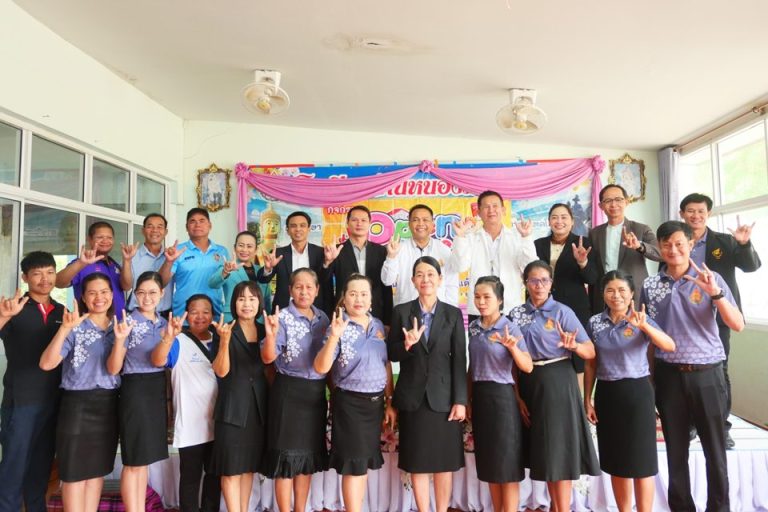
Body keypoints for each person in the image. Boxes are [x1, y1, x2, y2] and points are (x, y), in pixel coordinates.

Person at [641, 221, 744, 512]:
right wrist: (650, 379)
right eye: (666, 244)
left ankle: (719, 507)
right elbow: (650, 338)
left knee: (715, 450)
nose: (673, 250)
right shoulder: (650, 285)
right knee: (676, 451)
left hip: (707, 374)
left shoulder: (710, 277)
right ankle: (681, 507)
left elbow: (737, 324)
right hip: (668, 375)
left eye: (679, 243)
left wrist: (716, 294)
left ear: (690, 244)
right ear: (659, 248)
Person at [509, 260, 599, 512]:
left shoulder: (562, 312)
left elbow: (590, 351)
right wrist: (517, 396)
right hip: (529, 382)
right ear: (525, 283)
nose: (539, 285)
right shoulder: (516, 314)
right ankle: (555, 506)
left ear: (551, 284)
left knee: (559, 451)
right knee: (546, 454)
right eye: (533, 280)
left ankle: (562, 508)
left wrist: (574, 346)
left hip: (558, 381)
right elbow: (510, 359)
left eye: (544, 280)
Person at [584, 271, 675, 512]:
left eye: (622, 290)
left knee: (642, 462)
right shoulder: (595, 323)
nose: (616, 295)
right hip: (607, 394)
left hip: (637, 394)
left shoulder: (641, 318)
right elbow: (590, 363)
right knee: (617, 462)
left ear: (632, 293)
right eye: (610, 290)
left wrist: (644, 326)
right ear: (603, 294)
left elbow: (669, 345)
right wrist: (587, 399)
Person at [678, 192, 761, 448]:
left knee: (719, 371)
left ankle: (721, 428)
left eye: (701, 211)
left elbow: (751, 266)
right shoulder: (677, 241)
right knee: (685, 372)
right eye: (690, 211)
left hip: (718, 317)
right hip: (683, 318)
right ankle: (691, 423)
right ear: (682, 214)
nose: (696, 215)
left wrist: (744, 244)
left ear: (708, 214)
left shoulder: (724, 241)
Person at [387, 256, 467, 512]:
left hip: (444, 398)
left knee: (444, 463)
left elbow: (460, 359)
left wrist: (460, 400)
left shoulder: (453, 314)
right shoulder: (401, 312)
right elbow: (391, 354)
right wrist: (406, 345)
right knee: (417, 462)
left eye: (431, 274)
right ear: (413, 280)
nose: (425, 279)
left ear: (440, 279)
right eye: (420, 275)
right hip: (413, 398)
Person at [39, 273, 121, 512]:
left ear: (112, 294)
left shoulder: (121, 326)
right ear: (83, 297)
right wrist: (64, 329)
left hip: (108, 405)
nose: (99, 297)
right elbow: (46, 363)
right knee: (73, 473)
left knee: (97, 471)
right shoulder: (74, 326)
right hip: (77, 405)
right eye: (92, 293)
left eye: (104, 292)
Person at [313, 274, 396, 512]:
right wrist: (334, 337)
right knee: (354, 466)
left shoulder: (378, 326)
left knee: (362, 464)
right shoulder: (337, 326)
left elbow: (385, 364)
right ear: (344, 298)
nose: (358, 299)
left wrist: (389, 400)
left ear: (371, 299)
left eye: (363, 294)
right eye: (353, 294)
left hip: (374, 405)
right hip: (349, 405)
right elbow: (321, 367)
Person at [261, 269, 330, 512]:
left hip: (315, 395)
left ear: (317, 290)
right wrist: (270, 336)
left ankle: (300, 509)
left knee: (306, 458)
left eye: (309, 287)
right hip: (288, 393)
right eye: (298, 287)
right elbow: (267, 358)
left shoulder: (323, 318)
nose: (304, 292)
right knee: (286, 460)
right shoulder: (281, 318)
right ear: (290, 290)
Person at [0, 252, 63, 512]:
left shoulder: (62, 312)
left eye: (49, 272)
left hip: (53, 400)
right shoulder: (13, 308)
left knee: (41, 466)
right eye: (37, 274)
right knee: (14, 466)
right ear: (25, 277)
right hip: (21, 401)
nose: (44, 279)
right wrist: (4, 316)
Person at [467, 276, 533, 512]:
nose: (481, 302)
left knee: (507, 465)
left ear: (500, 300)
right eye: (477, 297)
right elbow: (471, 367)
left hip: (503, 399)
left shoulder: (509, 327)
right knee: (490, 465)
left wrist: (512, 347)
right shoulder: (473, 327)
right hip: (480, 397)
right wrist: (468, 399)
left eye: (487, 297)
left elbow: (527, 366)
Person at [106, 272, 170, 512]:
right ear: (134, 294)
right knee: (133, 460)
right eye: (141, 292)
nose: (147, 298)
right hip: (135, 389)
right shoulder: (127, 322)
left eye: (152, 292)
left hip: (156, 389)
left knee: (144, 460)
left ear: (162, 293)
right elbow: (115, 367)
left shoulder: (165, 324)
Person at [151, 295, 221, 512]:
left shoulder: (221, 340)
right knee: (190, 477)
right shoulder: (178, 341)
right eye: (194, 312)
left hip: (219, 422)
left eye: (206, 312)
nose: (200, 317)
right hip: (190, 424)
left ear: (213, 315)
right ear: (186, 315)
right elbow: (158, 360)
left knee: (214, 476)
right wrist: (168, 338)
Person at [209, 282, 268, 512]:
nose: (247, 304)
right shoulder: (224, 330)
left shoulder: (266, 330)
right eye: (241, 299)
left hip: (258, 409)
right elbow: (221, 371)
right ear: (234, 303)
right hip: (232, 409)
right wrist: (224, 341)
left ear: (259, 302)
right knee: (231, 469)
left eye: (252, 299)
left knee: (248, 467)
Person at [451, 190, 537, 322]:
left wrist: (526, 237)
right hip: (479, 308)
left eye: (495, 206)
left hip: (510, 308)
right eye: (486, 207)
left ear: (503, 210)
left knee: (510, 337)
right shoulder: (470, 237)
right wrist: (460, 237)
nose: (491, 210)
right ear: (479, 212)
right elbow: (460, 266)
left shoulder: (517, 236)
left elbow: (529, 268)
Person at [535, 203, 599, 375]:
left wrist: (582, 262)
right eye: (554, 217)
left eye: (564, 217)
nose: (559, 221)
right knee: (547, 348)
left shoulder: (583, 243)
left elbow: (592, 278)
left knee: (577, 354)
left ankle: (578, 391)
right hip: (543, 307)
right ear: (549, 221)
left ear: (572, 222)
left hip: (574, 307)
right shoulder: (538, 244)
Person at [589, 184, 661, 312]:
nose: (613, 204)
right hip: (605, 296)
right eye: (608, 201)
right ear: (601, 206)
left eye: (618, 199)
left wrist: (639, 246)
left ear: (626, 202)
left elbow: (660, 253)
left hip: (634, 294)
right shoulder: (594, 233)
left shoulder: (641, 229)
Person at [323, 205, 393, 326]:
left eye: (363, 220)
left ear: (369, 223)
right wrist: (327, 262)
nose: (359, 223)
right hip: (344, 313)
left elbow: (386, 288)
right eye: (354, 220)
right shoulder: (337, 250)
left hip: (376, 312)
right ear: (347, 223)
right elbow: (324, 284)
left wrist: (388, 321)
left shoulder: (381, 251)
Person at [381, 204, 461, 306]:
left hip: (437, 310)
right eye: (415, 220)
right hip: (405, 309)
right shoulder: (398, 249)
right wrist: (391, 257)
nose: (420, 224)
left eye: (425, 220)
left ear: (432, 224)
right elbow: (387, 281)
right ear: (409, 224)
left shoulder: (444, 250)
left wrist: (450, 310)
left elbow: (451, 284)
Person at [159, 208, 230, 318]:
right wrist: (169, 261)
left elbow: (227, 284)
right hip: (183, 316)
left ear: (210, 225)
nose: (197, 225)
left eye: (202, 221)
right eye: (192, 221)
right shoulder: (178, 250)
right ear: (186, 227)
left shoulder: (222, 251)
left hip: (213, 314)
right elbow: (161, 283)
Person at [56, 221, 130, 319]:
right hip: (90, 324)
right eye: (100, 237)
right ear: (90, 239)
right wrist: (81, 263)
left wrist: (127, 261)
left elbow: (127, 287)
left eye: (109, 237)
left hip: (118, 323)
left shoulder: (114, 264)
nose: (105, 241)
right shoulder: (82, 263)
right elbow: (58, 283)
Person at [256, 211, 327, 311]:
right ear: (287, 230)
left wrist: (327, 262)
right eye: (293, 226)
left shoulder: (321, 253)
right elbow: (262, 279)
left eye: (302, 225)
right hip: (284, 310)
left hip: (314, 310)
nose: (298, 229)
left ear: (309, 229)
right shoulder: (278, 253)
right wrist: (268, 268)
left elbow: (325, 280)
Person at [208, 230, 272, 322]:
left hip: (259, 320)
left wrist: (268, 318)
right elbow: (212, 284)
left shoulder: (262, 270)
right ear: (235, 248)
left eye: (249, 246)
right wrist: (225, 271)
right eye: (241, 245)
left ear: (256, 250)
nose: (244, 250)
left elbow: (266, 299)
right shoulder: (227, 267)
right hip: (232, 318)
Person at [120, 213, 173, 317]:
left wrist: (169, 260)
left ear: (165, 232)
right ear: (143, 230)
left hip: (165, 316)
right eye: (150, 226)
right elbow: (125, 287)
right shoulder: (131, 256)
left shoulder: (171, 256)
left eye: (159, 227)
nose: (155, 230)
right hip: (137, 315)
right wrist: (127, 261)